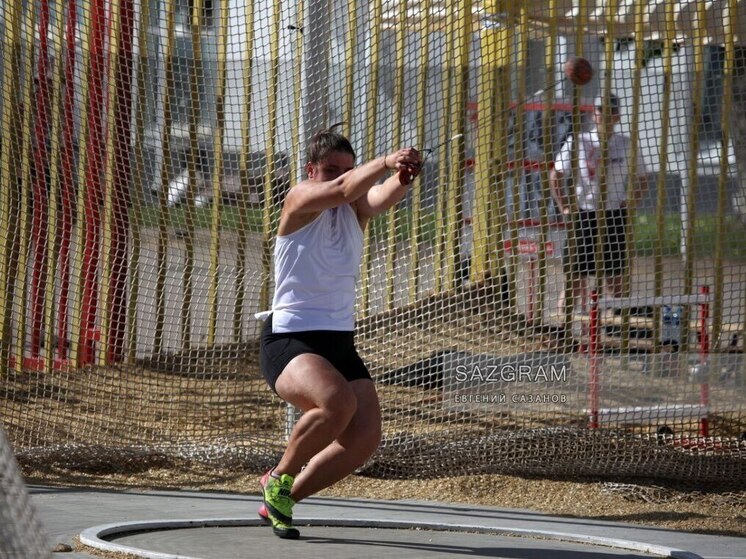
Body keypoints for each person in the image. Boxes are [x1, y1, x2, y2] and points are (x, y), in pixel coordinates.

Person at [257, 126, 422, 539]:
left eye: (344, 170)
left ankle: (284, 497)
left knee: (364, 437)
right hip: (291, 337)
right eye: (329, 170)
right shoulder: (299, 199)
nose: (338, 177)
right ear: (311, 170)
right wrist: (384, 161)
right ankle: (278, 475)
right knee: (335, 403)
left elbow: (376, 197)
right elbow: (347, 188)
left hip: (337, 340)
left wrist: (400, 177)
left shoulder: (354, 208)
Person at [549, 93, 649, 314]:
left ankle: (619, 330)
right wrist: (564, 205)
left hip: (613, 215)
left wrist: (631, 203)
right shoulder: (579, 141)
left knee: (615, 279)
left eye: (611, 111)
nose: (605, 114)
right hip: (584, 214)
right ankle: (561, 331)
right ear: (594, 114)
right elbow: (555, 174)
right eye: (600, 110)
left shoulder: (625, 144)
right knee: (574, 278)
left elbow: (643, 178)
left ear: (618, 116)